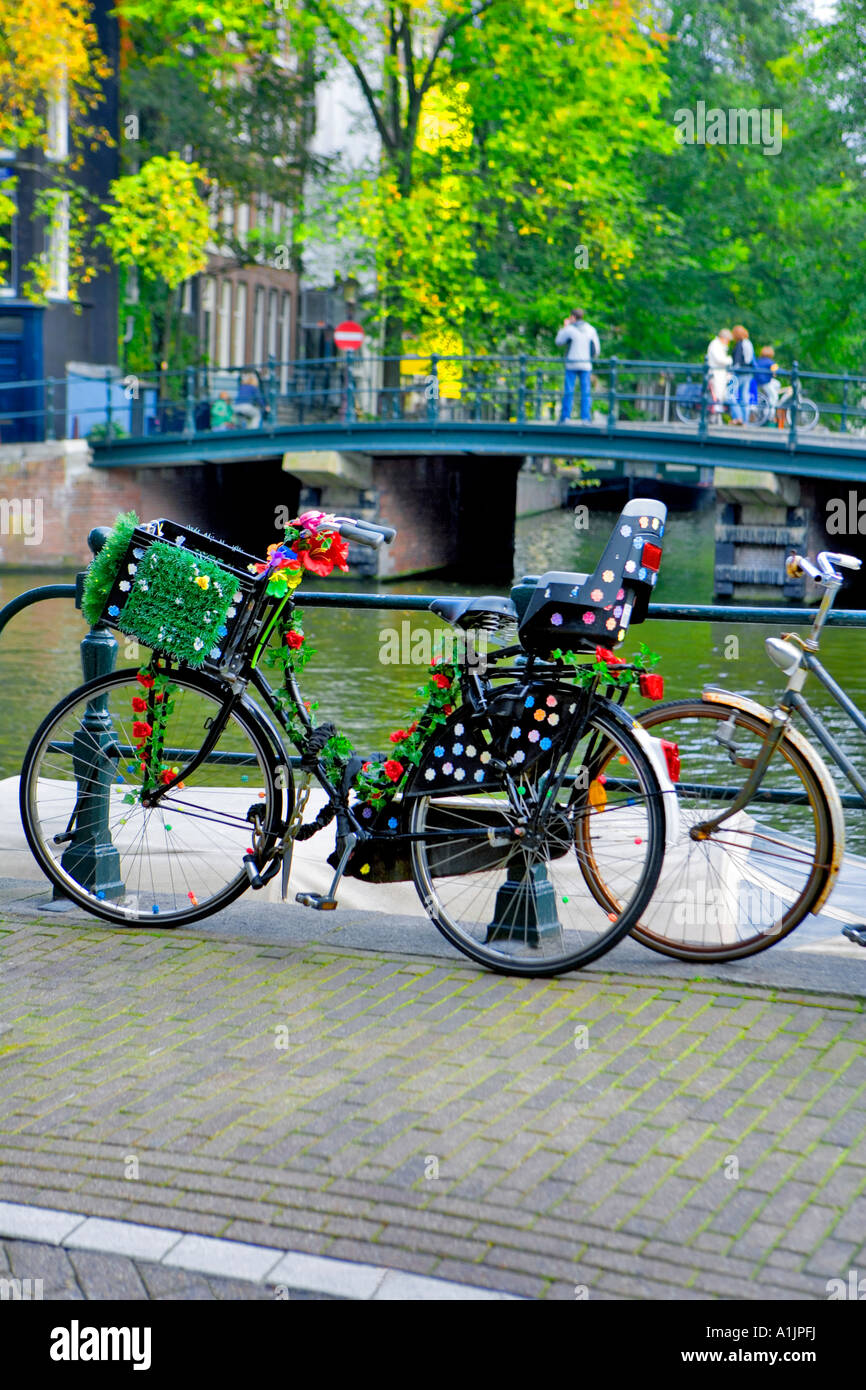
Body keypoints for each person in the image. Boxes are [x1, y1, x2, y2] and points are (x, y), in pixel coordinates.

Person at [556, 308, 600, 423]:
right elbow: (596, 350)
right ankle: (586, 418)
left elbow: (559, 341)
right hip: (586, 364)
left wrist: (564, 326)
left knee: (569, 391)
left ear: (573, 317)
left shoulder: (569, 329)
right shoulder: (591, 329)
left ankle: (565, 417)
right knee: (586, 391)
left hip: (571, 364)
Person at [706, 328, 734, 421]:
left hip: (719, 374)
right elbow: (720, 359)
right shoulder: (715, 345)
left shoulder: (718, 345)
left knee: (719, 396)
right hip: (716, 374)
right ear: (724, 338)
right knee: (717, 396)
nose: (728, 342)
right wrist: (730, 359)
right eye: (728, 340)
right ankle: (715, 418)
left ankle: (716, 418)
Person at [731, 325, 755, 423]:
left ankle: (738, 418)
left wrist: (730, 372)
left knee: (730, 395)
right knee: (744, 397)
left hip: (739, 374)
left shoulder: (740, 344)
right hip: (748, 373)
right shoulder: (749, 343)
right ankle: (745, 420)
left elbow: (737, 362)